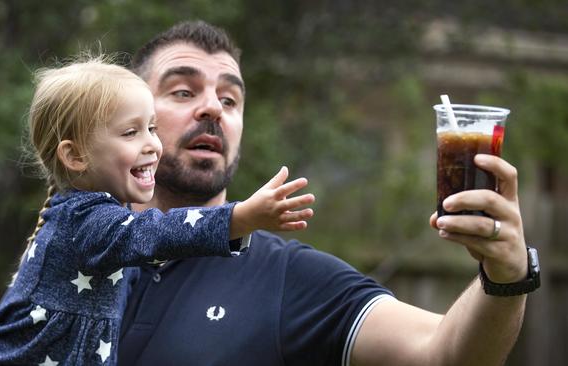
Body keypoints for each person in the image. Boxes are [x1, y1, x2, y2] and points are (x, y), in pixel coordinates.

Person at [117, 20, 537, 366]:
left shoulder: (284, 279)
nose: (213, 108)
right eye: (183, 92)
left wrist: (506, 276)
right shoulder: (67, 246)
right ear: (132, 119)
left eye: (230, 99)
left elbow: (446, 356)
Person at [0, 57, 315, 365]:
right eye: (131, 132)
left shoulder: (95, 216)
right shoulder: (86, 221)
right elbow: (153, 233)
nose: (152, 144)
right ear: (75, 156)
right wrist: (239, 218)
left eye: (151, 128)